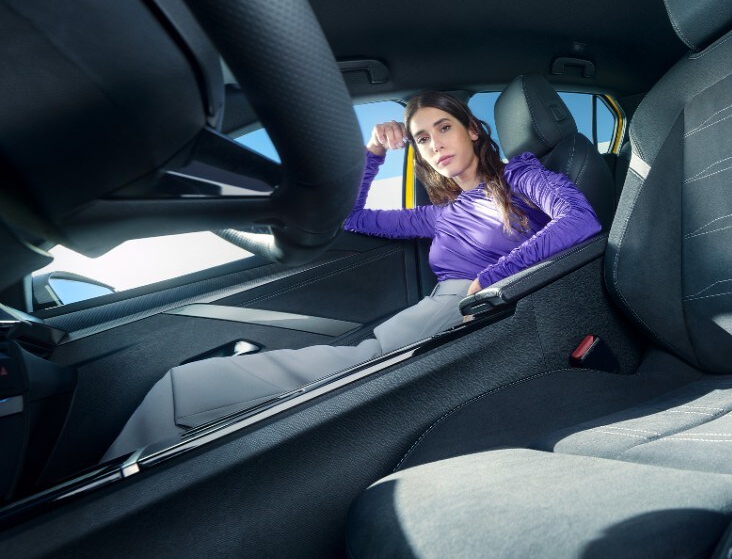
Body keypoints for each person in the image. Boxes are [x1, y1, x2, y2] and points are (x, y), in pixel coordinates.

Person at [103, 91, 601, 460]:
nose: (433, 145)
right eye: (422, 138)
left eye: (444, 128)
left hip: (473, 309)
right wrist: (374, 153)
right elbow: (351, 219)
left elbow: (580, 221)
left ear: (472, 129)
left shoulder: (519, 174)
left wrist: (493, 278)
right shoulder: (441, 214)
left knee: (187, 387)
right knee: (191, 383)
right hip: (427, 318)